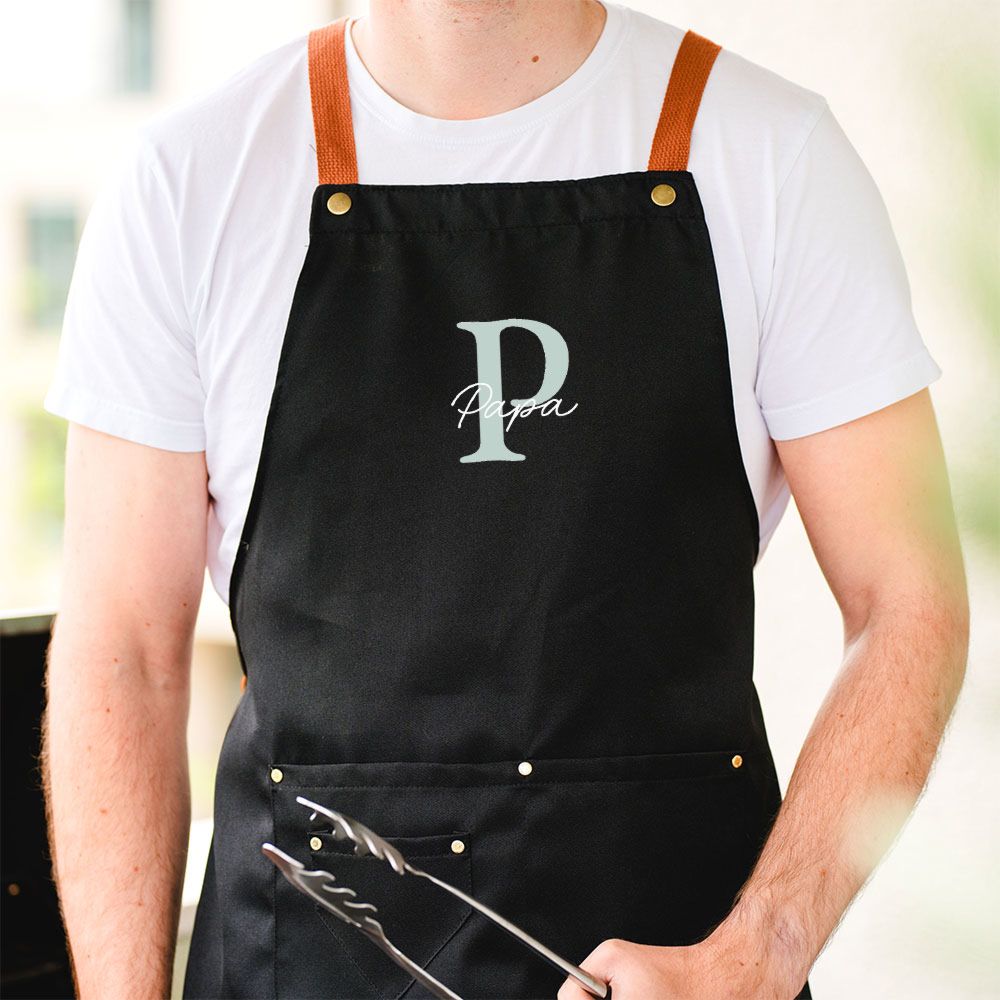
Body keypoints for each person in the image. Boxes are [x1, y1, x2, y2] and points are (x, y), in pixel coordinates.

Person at [40, 2, 969, 998]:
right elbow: (123, 654)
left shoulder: (771, 151)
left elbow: (907, 602)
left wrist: (759, 953)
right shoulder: (189, 180)